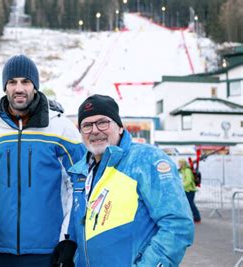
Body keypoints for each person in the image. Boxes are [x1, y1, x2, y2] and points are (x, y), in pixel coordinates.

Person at [0, 54, 86, 266]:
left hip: (48, 249)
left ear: (35, 86)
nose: (19, 88)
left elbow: (79, 187)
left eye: (25, 81)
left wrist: (68, 238)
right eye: (12, 82)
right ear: (5, 87)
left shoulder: (61, 129)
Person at [67, 94, 194, 266]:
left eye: (103, 122)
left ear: (120, 127)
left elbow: (177, 225)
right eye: (87, 125)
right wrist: (70, 250)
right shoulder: (80, 172)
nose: (95, 130)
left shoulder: (147, 160)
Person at [179, 159, 201, 223]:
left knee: (190, 204)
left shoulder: (187, 170)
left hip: (190, 190)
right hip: (186, 190)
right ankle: (191, 217)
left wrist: (182, 186)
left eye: (180, 163)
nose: (179, 165)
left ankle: (197, 217)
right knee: (187, 204)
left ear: (183, 164)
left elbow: (189, 180)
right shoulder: (183, 170)